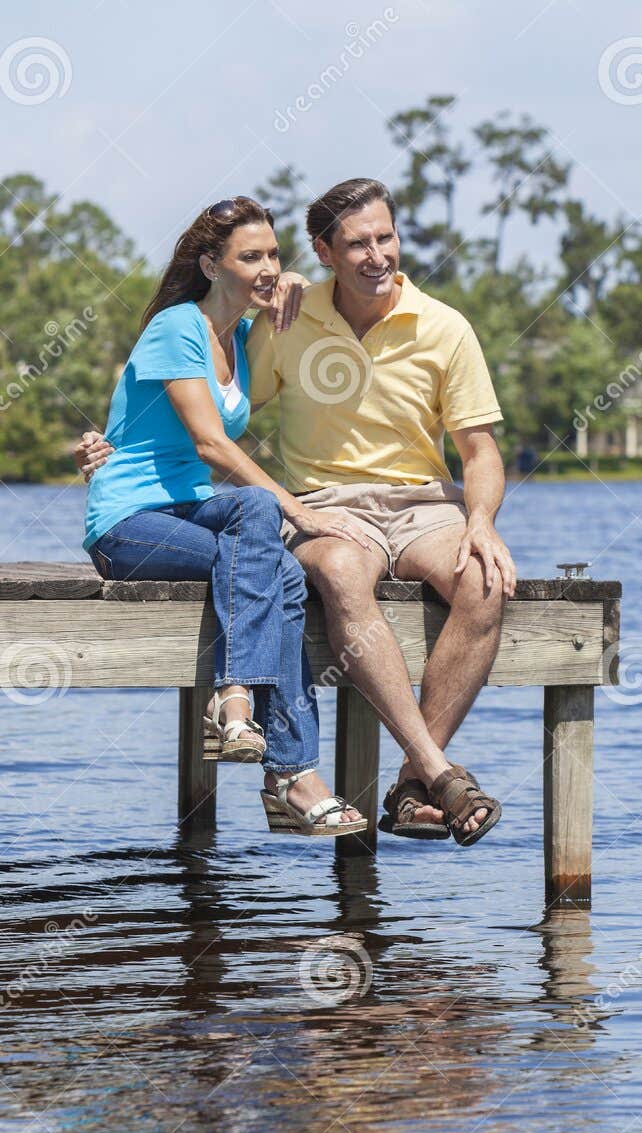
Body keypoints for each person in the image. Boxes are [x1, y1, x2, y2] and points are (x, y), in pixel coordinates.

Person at [79, 179, 510, 847]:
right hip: (257, 510)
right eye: (356, 243)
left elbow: (479, 451)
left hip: (414, 504)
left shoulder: (428, 326)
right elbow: (198, 427)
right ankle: (288, 750)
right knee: (305, 559)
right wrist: (290, 507)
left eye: (385, 237)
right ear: (327, 250)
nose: (376, 255)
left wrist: (480, 523)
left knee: (471, 580)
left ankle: (402, 779)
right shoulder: (244, 324)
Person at [81, 196, 366, 837]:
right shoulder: (176, 327)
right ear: (210, 265)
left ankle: (261, 742)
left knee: (269, 554)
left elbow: (294, 287)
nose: (268, 267)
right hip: (127, 522)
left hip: (191, 511)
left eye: (273, 253)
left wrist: (287, 278)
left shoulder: (239, 334)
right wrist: (300, 510)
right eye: (250, 256)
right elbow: (211, 444)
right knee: (275, 555)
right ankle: (275, 755)